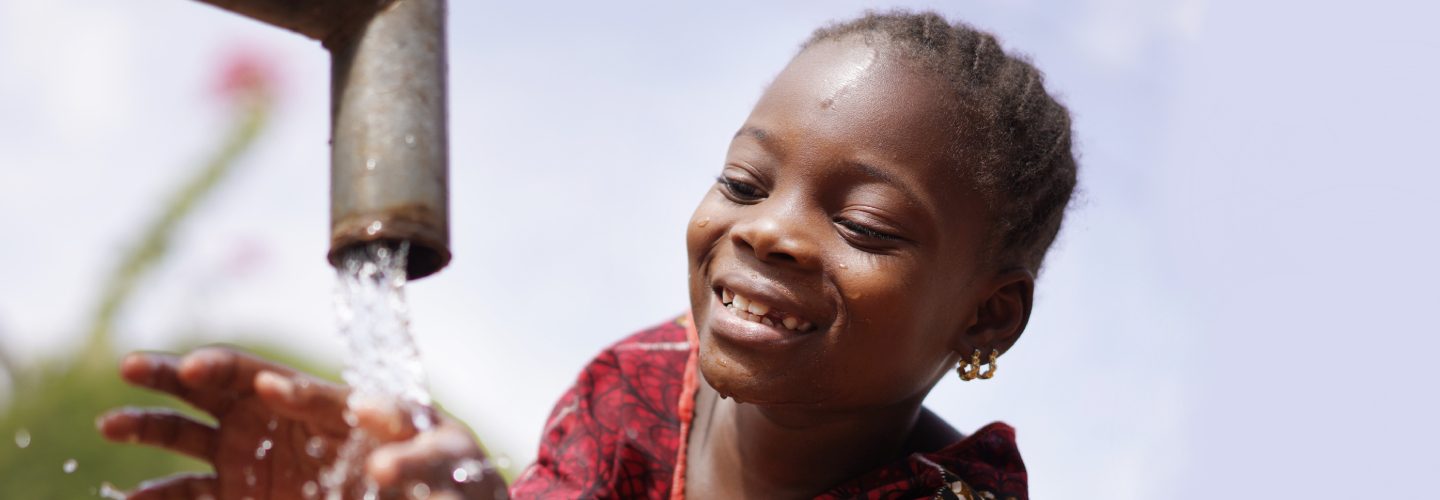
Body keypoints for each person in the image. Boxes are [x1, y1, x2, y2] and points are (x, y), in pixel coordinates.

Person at [98, 10, 1076, 500]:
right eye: (742, 182)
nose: (769, 229)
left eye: (861, 225)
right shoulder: (633, 391)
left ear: (986, 313)